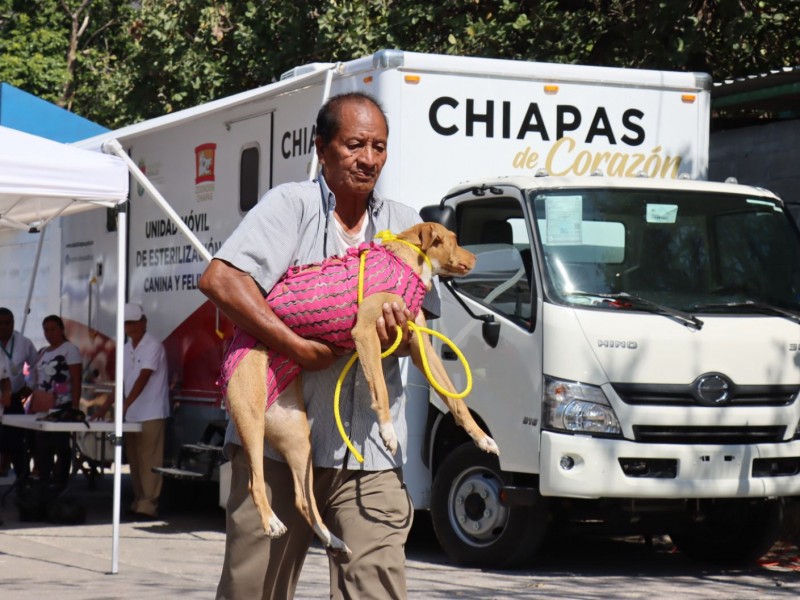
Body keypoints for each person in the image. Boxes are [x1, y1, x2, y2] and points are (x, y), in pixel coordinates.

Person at [199, 91, 440, 600]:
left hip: (370, 452)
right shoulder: (292, 206)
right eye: (355, 144)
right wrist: (295, 345)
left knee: (376, 589)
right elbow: (221, 280)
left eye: (379, 146)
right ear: (322, 148)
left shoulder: (404, 222)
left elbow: (418, 332)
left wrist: (397, 333)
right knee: (253, 590)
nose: (369, 158)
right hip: (279, 447)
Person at [92, 302, 170, 519]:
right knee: (134, 460)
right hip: (131, 415)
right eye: (127, 324)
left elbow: (143, 378)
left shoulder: (153, 346)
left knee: (149, 460)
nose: (132, 327)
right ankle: (138, 501)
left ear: (144, 322)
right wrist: (105, 408)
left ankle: (148, 505)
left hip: (151, 412)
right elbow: (122, 382)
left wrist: (124, 405)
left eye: (135, 322)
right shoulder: (126, 349)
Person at [28, 315, 82, 487]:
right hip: (43, 406)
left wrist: (74, 406)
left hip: (62, 405)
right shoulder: (43, 351)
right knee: (42, 445)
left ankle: (60, 481)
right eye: (46, 329)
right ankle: (43, 479)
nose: (49, 333)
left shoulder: (69, 349)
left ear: (61, 330)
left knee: (61, 445)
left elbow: (75, 379)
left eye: (53, 329)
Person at [0, 307, 38, 479]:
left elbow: (37, 366)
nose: (4, 327)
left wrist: (30, 386)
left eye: (7, 323)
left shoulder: (24, 343)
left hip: (14, 397)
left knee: (17, 440)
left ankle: (23, 479)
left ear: (13, 323)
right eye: (0, 323)